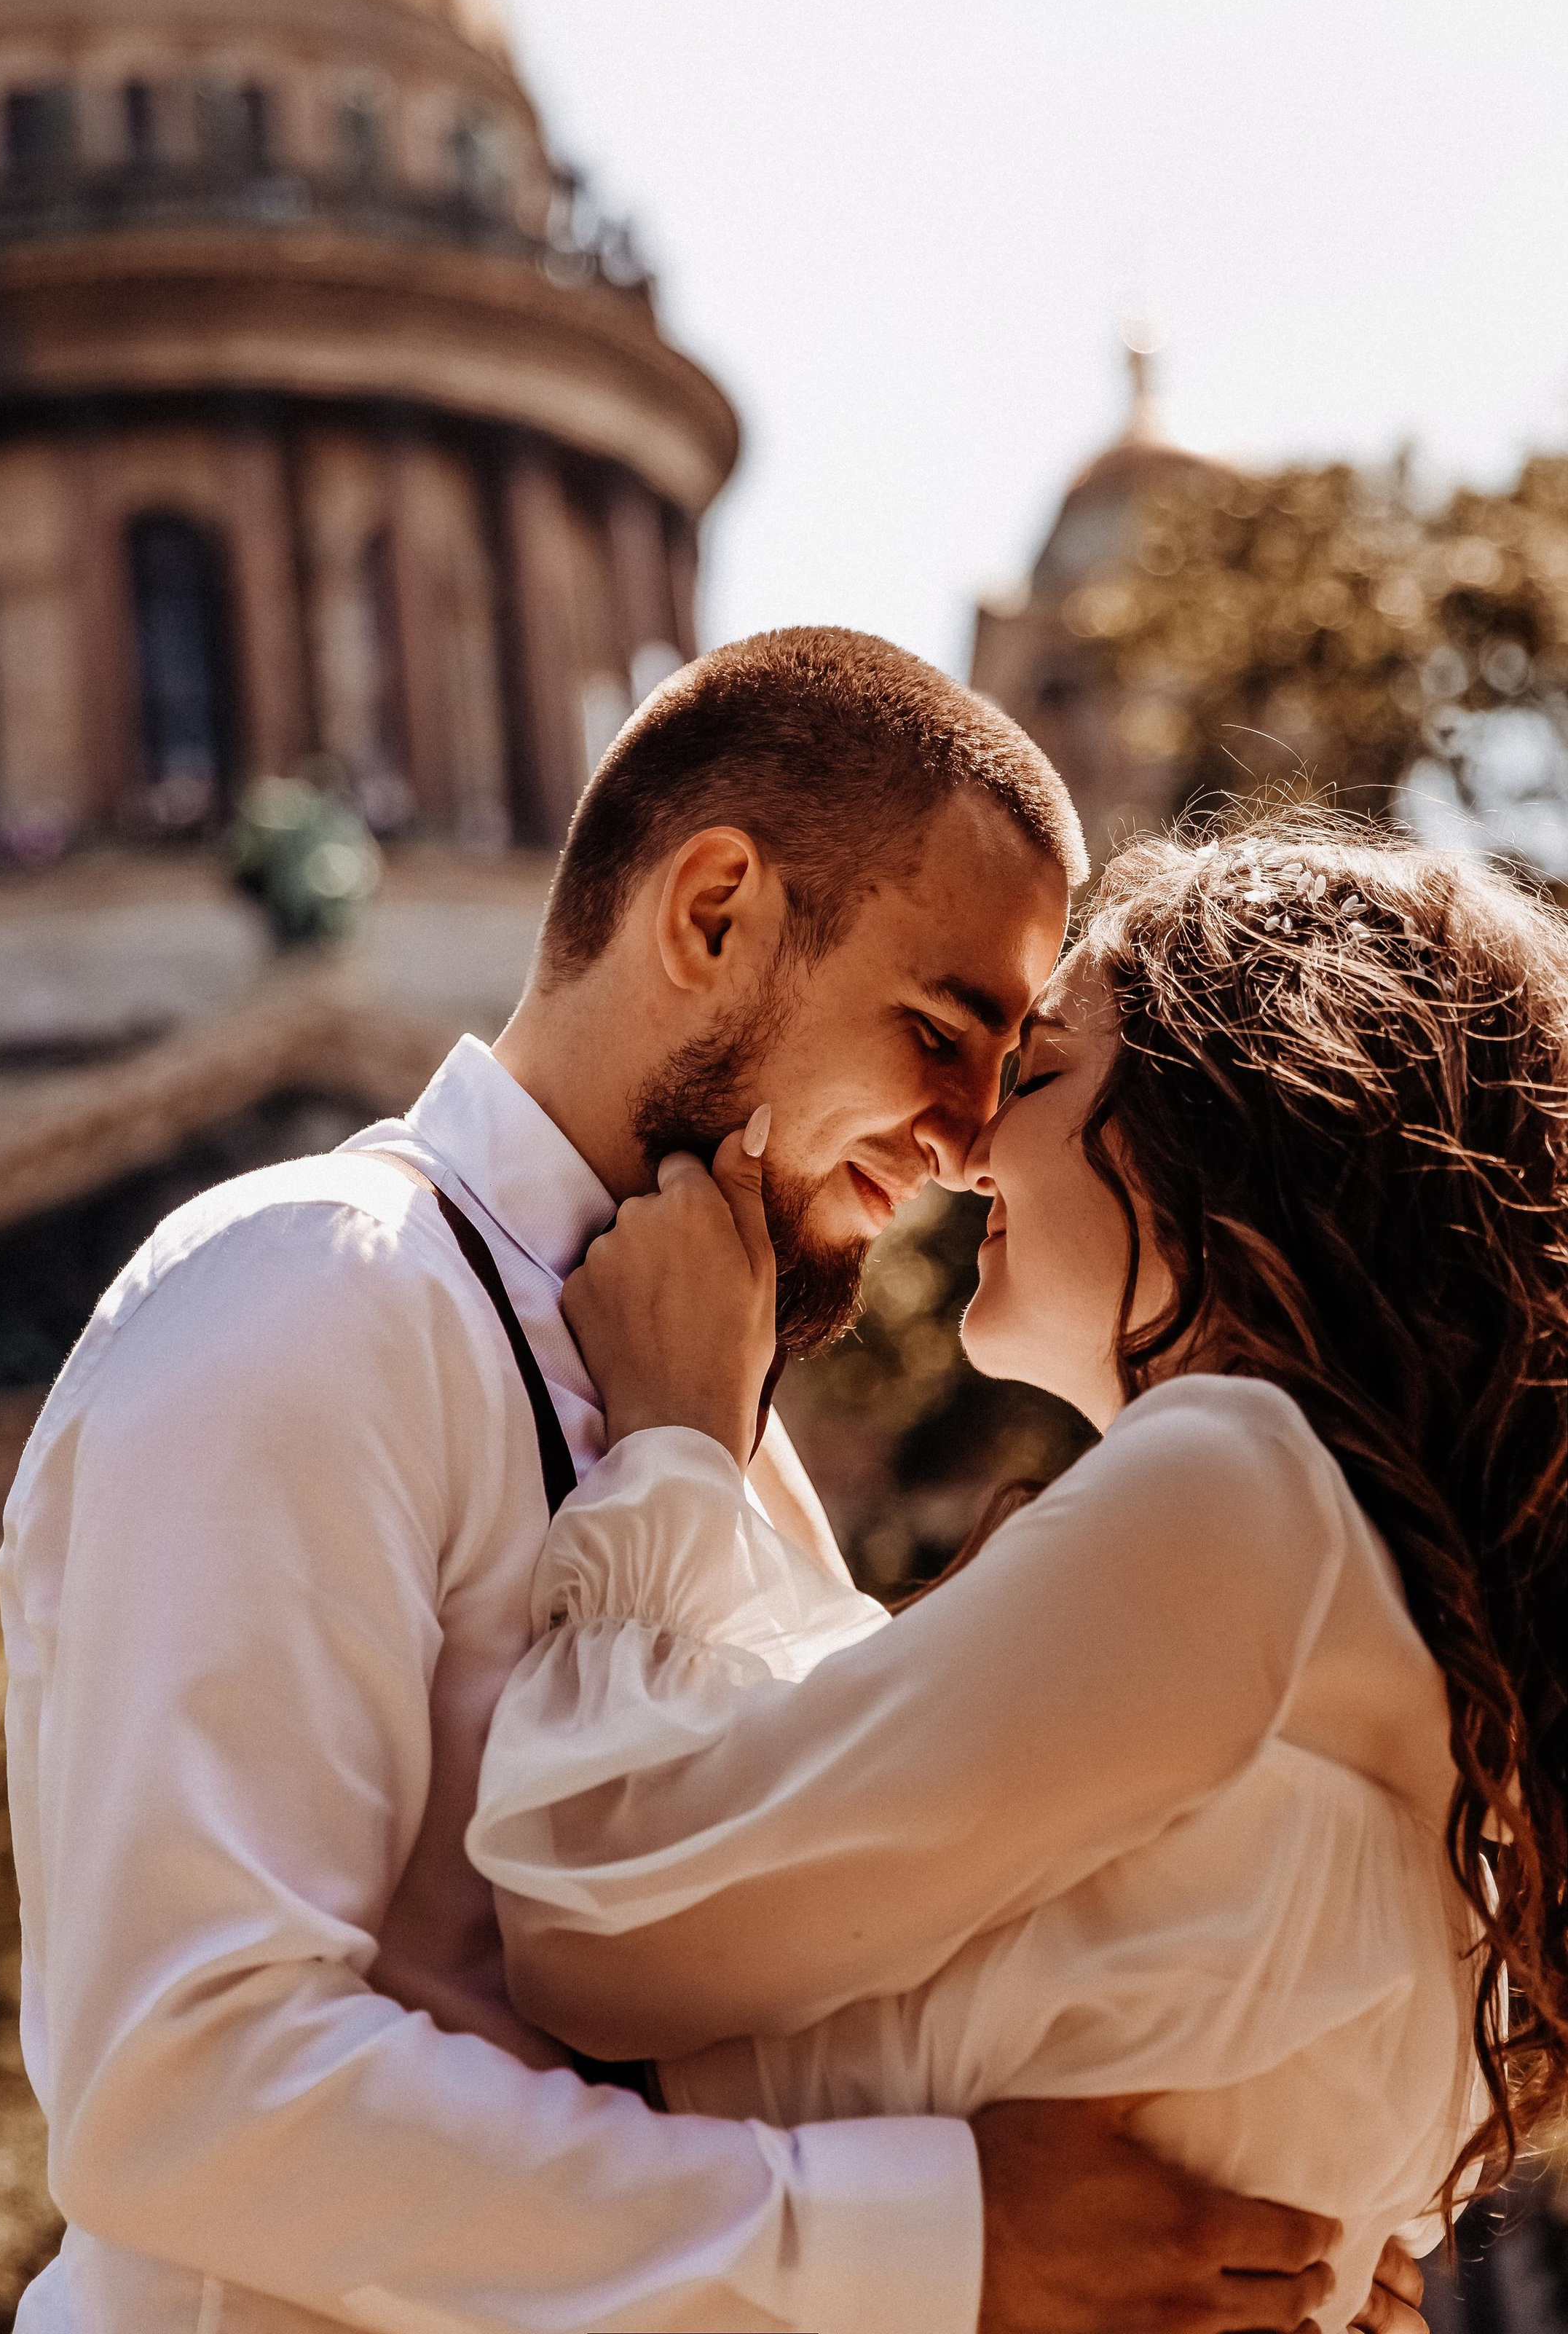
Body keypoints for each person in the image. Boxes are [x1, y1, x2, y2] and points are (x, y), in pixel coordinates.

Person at [1, 629, 1424, 2334]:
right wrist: (942, 2243)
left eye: (1013, 1061)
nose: (973, 1143)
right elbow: (184, 2084)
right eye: (940, 1030)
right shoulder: (315, 1292)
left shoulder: (718, 1427)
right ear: (712, 913)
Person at [469, 816, 1568, 2331]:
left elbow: (595, 1916)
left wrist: (670, 1445)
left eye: (1036, 1075)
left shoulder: (1233, 1488)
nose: (968, 1149)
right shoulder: (1406, 1668)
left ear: (1227, 1122)